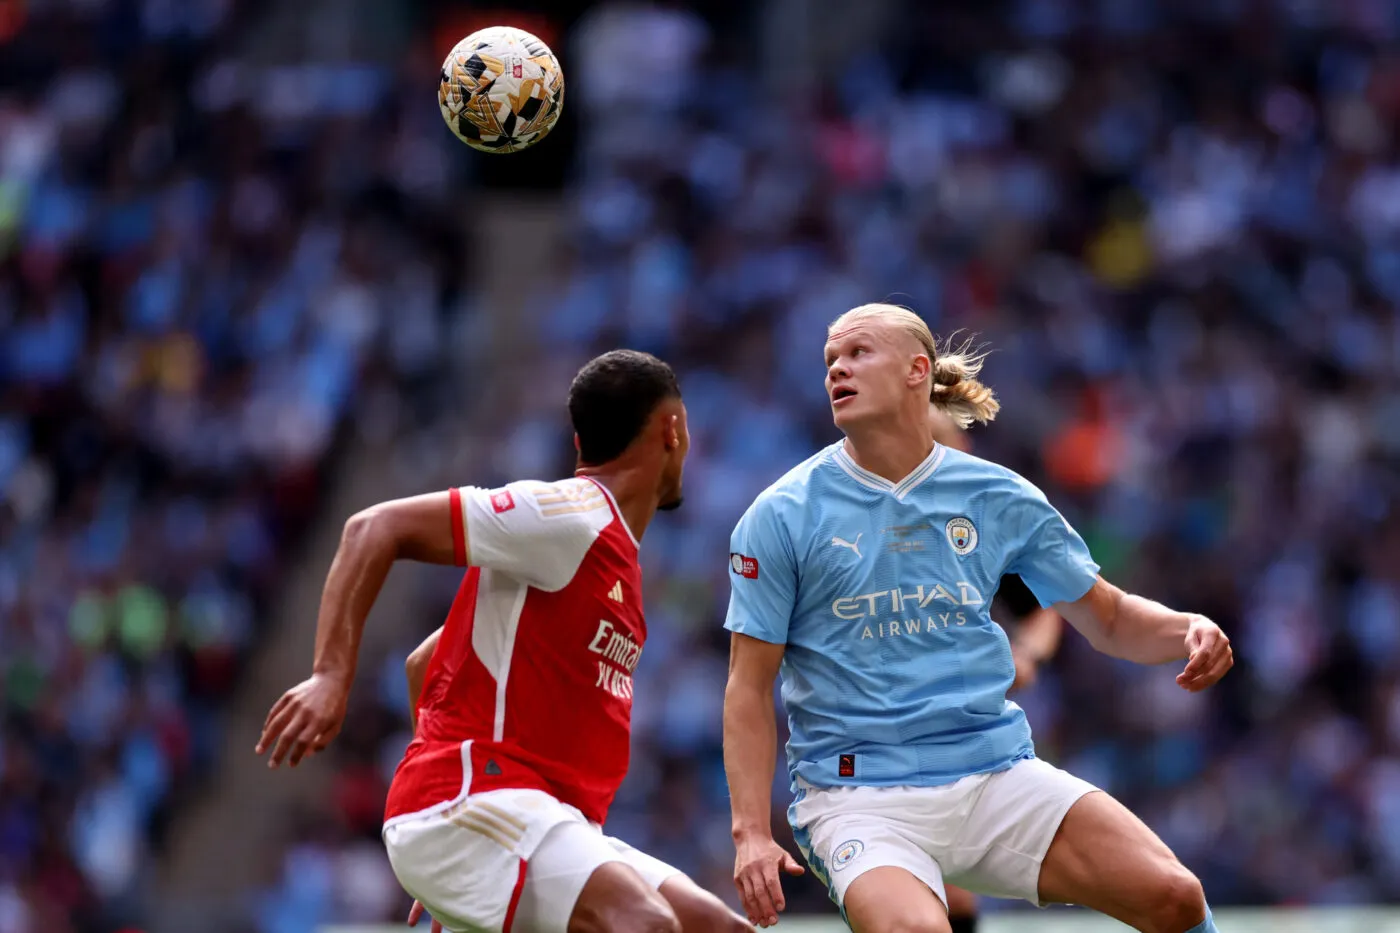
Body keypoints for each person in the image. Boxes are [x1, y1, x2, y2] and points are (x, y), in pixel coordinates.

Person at [721, 304, 1233, 933]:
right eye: (831, 360)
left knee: (1175, 896)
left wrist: (1188, 628)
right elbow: (747, 687)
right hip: (857, 797)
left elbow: (1112, 619)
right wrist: (750, 833)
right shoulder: (780, 515)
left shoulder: (997, 495)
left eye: (858, 353)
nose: (837, 369)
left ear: (917, 370)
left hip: (993, 772)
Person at [255, 350, 751, 933]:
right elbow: (373, 526)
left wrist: (461, 861)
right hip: (489, 797)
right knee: (644, 924)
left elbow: (426, 662)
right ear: (673, 429)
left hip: (536, 818)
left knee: (718, 928)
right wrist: (331, 676)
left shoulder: (607, 554)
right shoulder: (573, 516)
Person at [927, 406, 1064, 933]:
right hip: (879, 743)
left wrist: (1025, 655)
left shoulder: (974, 533)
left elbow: (1042, 609)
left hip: (967, 729)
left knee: (952, 898)